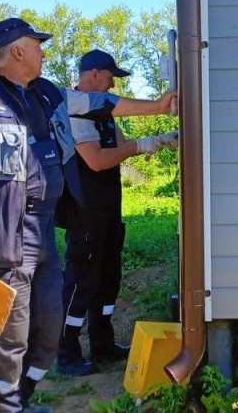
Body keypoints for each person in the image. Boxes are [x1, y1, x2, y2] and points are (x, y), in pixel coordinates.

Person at [0, 18, 176, 413]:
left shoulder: (47, 93)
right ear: (16, 52)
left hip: (44, 226)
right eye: (36, 45)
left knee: (47, 326)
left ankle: (23, 398)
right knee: (10, 330)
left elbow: (101, 102)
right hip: (6, 231)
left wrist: (159, 107)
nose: (43, 52)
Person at [57, 49, 178, 376]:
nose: (112, 85)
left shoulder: (103, 113)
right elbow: (97, 160)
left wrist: (162, 141)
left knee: (108, 279)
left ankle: (103, 345)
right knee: (81, 282)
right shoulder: (76, 112)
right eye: (111, 78)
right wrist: (142, 145)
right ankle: (66, 352)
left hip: (108, 209)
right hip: (85, 213)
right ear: (94, 74)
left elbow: (120, 147)